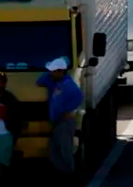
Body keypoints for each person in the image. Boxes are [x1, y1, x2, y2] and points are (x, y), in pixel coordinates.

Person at [37, 57, 83, 185]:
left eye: (53, 71)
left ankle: (69, 177)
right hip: (57, 123)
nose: (50, 73)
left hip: (65, 122)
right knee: (54, 151)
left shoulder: (69, 85)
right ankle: (62, 174)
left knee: (64, 150)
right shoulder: (54, 83)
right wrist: (49, 75)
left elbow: (79, 97)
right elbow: (40, 81)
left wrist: (67, 110)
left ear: (61, 71)